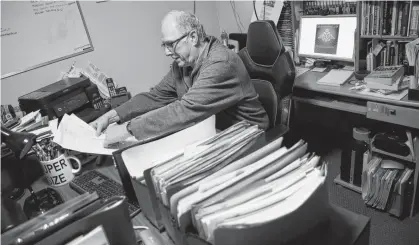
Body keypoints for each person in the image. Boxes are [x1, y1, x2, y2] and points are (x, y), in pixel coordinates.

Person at [90, 10, 269, 146]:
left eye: (171, 44)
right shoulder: (182, 65)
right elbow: (155, 97)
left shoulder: (221, 63)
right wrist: (112, 115)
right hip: (213, 131)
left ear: (192, 37)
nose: (167, 52)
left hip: (248, 136)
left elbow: (185, 110)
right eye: (164, 45)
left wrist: (127, 129)